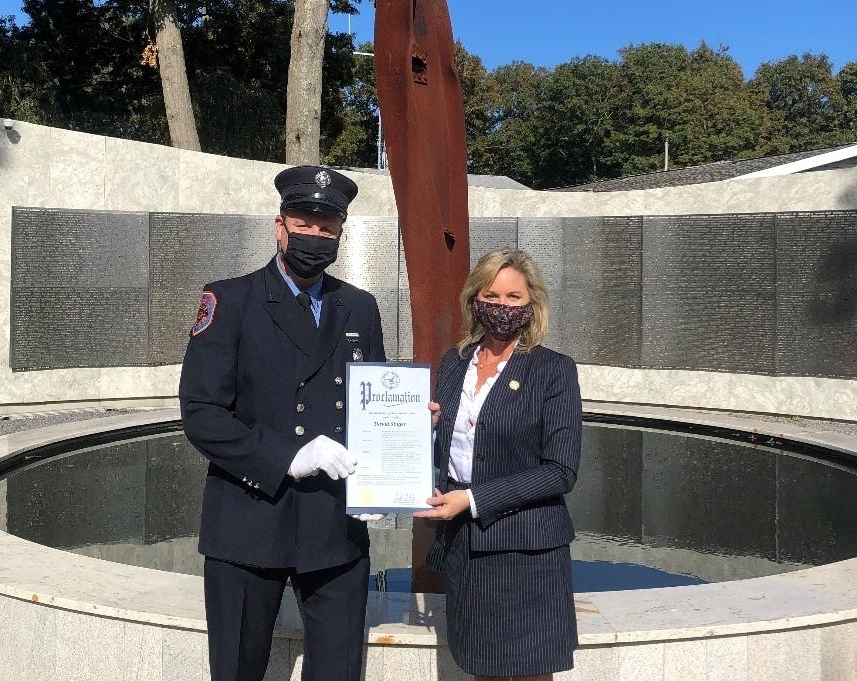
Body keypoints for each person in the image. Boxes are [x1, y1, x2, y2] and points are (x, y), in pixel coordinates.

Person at [179, 165, 386, 681]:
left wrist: (390, 461)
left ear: (339, 233)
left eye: (326, 227)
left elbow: (373, 407)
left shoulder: (358, 307)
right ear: (280, 226)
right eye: (304, 223)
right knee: (237, 670)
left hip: (334, 526)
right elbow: (202, 413)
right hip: (249, 521)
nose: (315, 235)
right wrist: (288, 457)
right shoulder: (230, 300)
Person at [415, 248, 582, 679]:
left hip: (527, 551)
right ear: (475, 300)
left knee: (530, 673)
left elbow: (561, 470)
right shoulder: (455, 363)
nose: (502, 307)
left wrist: (472, 499)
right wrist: (427, 431)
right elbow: (456, 449)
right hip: (467, 549)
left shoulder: (553, 370)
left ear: (531, 304)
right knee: (481, 669)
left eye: (513, 297)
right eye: (491, 296)